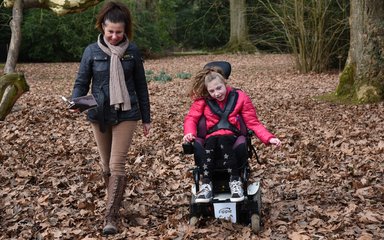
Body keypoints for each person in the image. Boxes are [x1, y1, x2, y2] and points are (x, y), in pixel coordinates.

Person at [70, 0, 150, 235]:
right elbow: (81, 82)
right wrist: (76, 102)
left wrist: (146, 118)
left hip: (128, 112)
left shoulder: (132, 51)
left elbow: (141, 86)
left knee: (117, 165)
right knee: (106, 166)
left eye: (119, 32)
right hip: (99, 113)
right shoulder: (91, 52)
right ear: (102, 28)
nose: (115, 36)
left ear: (126, 30)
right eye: (110, 32)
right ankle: (114, 201)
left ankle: (110, 217)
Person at [183, 63, 281, 203]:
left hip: (231, 136)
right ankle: (206, 185)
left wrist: (269, 138)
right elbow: (191, 118)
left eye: (219, 88)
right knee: (210, 142)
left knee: (222, 140)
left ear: (225, 82)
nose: (217, 93)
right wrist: (189, 133)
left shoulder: (239, 97)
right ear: (207, 91)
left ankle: (235, 182)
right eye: (212, 91)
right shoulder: (203, 101)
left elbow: (253, 122)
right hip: (212, 137)